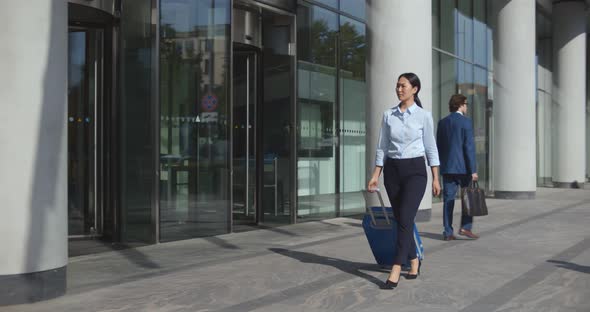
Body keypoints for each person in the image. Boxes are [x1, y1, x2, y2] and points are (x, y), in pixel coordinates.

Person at [367, 73, 441, 290]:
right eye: (397, 85)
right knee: (402, 220)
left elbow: (431, 148)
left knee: (406, 217)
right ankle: (415, 259)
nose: (399, 89)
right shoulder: (388, 115)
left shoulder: (423, 116)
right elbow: (382, 146)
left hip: (415, 171)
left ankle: (397, 266)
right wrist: (375, 174)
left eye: (403, 85)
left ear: (414, 89)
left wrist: (436, 177)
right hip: (393, 171)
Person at [436, 94, 479, 241]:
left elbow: (439, 147)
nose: (467, 107)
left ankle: (448, 232)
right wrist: (473, 170)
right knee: (469, 198)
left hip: (448, 167)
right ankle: (465, 228)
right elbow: (469, 147)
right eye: (466, 104)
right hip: (464, 168)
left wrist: (441, 166)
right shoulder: (466, 122)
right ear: (461, 104)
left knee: (448, 200)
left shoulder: (442, 123)